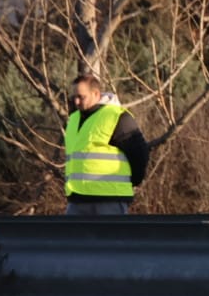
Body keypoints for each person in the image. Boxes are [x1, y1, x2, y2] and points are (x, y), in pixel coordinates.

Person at [63, 73, 148, 216]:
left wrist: (131, 182)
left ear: (96, 94)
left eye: (81, 97)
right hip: (77, 200)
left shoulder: (117, 116)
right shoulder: (73, 120)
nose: (76, 102)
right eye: (74, 98)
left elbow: (139, 154)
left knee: (112, 239)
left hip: (110, 200)